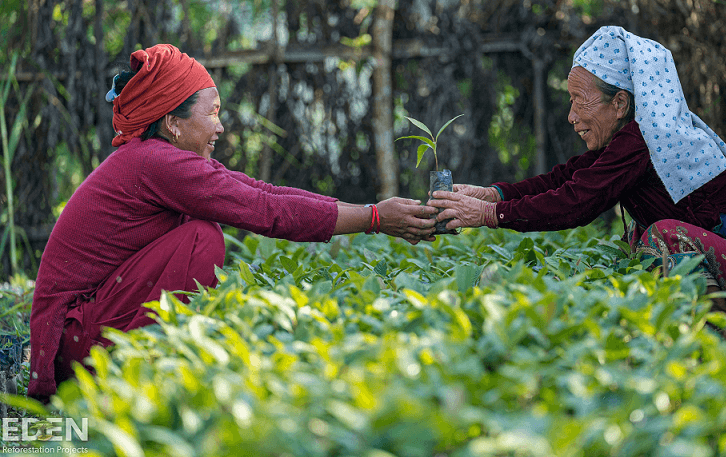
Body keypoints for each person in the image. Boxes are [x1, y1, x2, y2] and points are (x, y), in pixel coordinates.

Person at [28, 43, 438, 401]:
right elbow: (265, 212)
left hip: (78, 330)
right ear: (173, 122)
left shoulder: (158, 158)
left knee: (202, 234)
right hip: (71, 341)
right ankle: (125, 375)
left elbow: (263, 192)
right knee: (201, 240)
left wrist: (373, 211)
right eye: (213, 113)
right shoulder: (157, 163)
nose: (220, 126)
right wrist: (374, 219)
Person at [429, 25, 726, 335]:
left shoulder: (643, 142)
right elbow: (569, 177)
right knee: (638, 242)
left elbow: (577, 201)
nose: (572, 116)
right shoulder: (637, 138)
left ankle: (712, 351)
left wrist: (489, 215)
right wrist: (493, 194)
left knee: (665, 236)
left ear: (620, 104)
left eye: (579, 101)